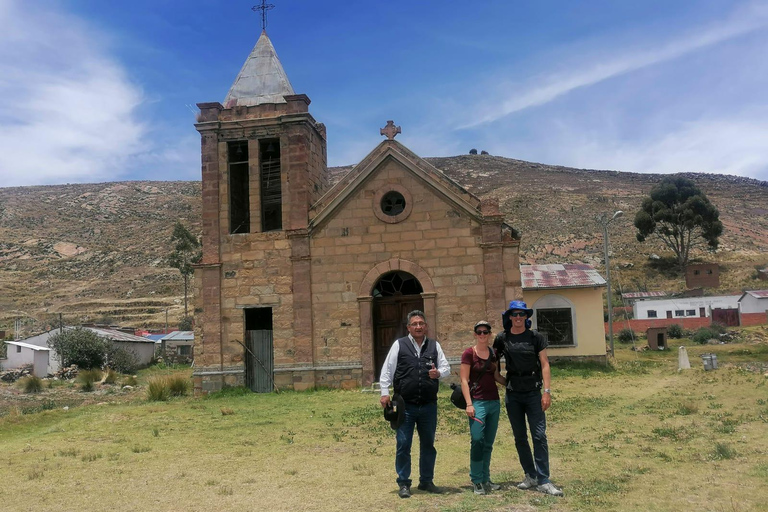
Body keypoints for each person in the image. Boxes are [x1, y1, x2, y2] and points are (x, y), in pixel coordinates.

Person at [493, 300, 563, 497]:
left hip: (533, 392)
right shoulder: (502, 338)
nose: (518, 318)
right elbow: (493, 364)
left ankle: (544, 479)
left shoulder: (535, 337)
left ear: (526, 317)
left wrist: (547, 392)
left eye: (521, 314)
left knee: (539, 435)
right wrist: (502, 381)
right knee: (520, 437)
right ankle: (530, 475)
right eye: (514, 314)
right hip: (513, 394)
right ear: (509, 317)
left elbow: (545, 364)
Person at [379, 310, 451, 499]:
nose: (418, 326)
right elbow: (387, 370)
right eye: (414, 324)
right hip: (405, 406)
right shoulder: (399, 345)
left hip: (428, 405)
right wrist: (384, 393)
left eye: (421, 323)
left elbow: (446, 367)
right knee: (403, 444)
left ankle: (426, 481)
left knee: (428, 444)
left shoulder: (434, 346)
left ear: (426, 326)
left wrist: (439, 374)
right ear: (408, 327)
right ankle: (403, 483)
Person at [460, 320, 502, 495]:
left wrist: (517, 386)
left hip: (494, 401)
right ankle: (476, 480)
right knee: (477, 440)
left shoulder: (493, 353)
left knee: (488, 443)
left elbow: (497, 375)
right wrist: (469, 404)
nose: (483, 335)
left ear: (490, 334)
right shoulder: (469, 353)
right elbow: (463, 380)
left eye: (486, 332)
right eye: (479, 332)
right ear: (475, 334)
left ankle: (486, 478)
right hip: (477, 402)